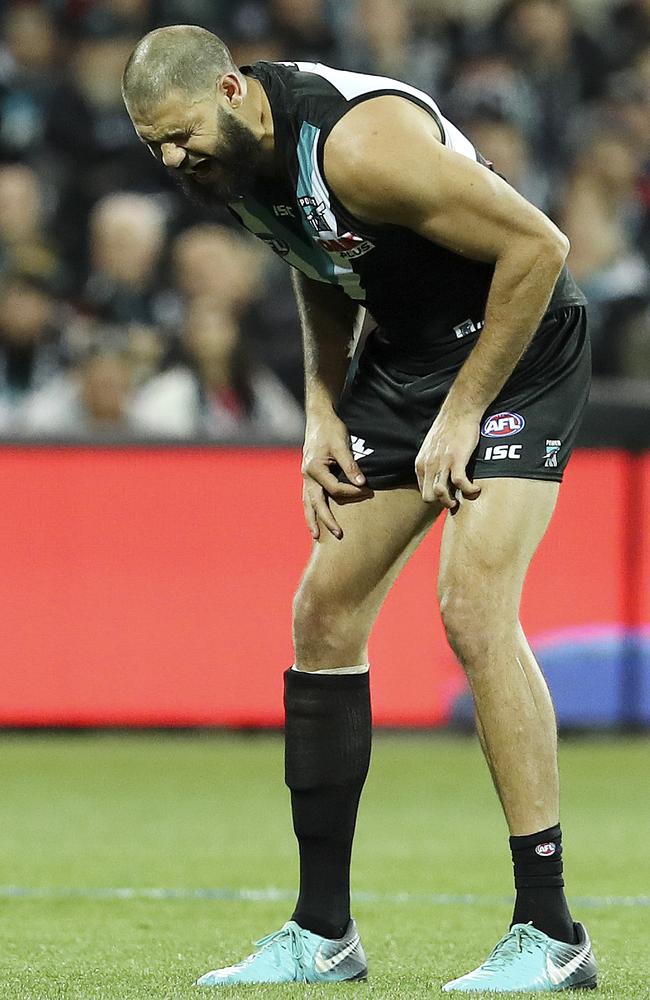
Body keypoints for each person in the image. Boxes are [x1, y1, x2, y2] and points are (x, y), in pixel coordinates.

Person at [122, 25, 597, 993]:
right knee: (324, 612)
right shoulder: (238, 165)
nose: (172, 161)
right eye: (152, 147)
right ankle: (321, 933)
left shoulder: (357, 145)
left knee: (469, 606)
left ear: (228, 88)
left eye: (178, 136)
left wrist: (463, 413)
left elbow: (535, 247)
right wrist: (319, 409)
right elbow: (316, 259)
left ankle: (550, 933)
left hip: (514, 349)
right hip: (406, 355)